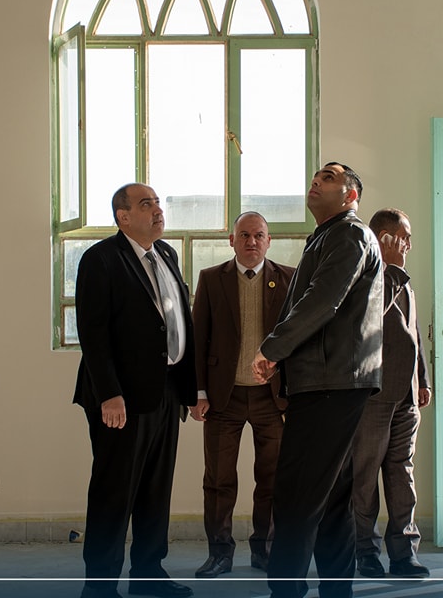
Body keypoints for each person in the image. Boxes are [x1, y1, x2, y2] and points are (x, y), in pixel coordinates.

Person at [252, 162, 383, 598]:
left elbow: (323, 300)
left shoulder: (350, 234)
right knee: (331, 499)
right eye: (315, 177)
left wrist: (273, 348)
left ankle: (285, 591)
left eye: (329, 177)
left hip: (331, 382)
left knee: (296, 497)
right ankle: (336, 590)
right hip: (329, 382)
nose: (316, 181)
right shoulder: (328, 236)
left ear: (351, 195)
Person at [73, 183, 197, 598]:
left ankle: (148, 574)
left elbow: (179, 324)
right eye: (147, 204)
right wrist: (109, 393)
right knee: (113, 494)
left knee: (155, 492)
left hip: (166, 393)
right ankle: (100, 586)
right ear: (123, 217)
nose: (158, 210)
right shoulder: (101, 259)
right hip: (121, 399)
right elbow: (92, 332)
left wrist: (192, 391)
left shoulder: (167, 255)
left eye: (158, 203)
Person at [188, 212, 295, 578]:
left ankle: (265, 551)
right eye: (244, 235)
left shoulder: (289, 279)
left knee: (272, 478)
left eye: (259, 235)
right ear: (231, 240)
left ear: (269, 241)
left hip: (273, 399)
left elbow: (298, 340)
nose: (252, 242)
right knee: (218, 480)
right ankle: (219, 554)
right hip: (224, 397)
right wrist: (198, 392)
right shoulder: (211, 279)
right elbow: (198, 339)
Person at [352, 208, 432, 580]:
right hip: (374, 396)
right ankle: (365, 553)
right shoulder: (366, 274)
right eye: (404, 236)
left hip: (407, 397)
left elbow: (413, 333)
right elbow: (371, 318)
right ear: (384, 237)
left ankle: (404, 554)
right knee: (364, 476)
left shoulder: (405, 279)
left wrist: (423, 379)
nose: (409, 244)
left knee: (402, 476)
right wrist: (390, 269)